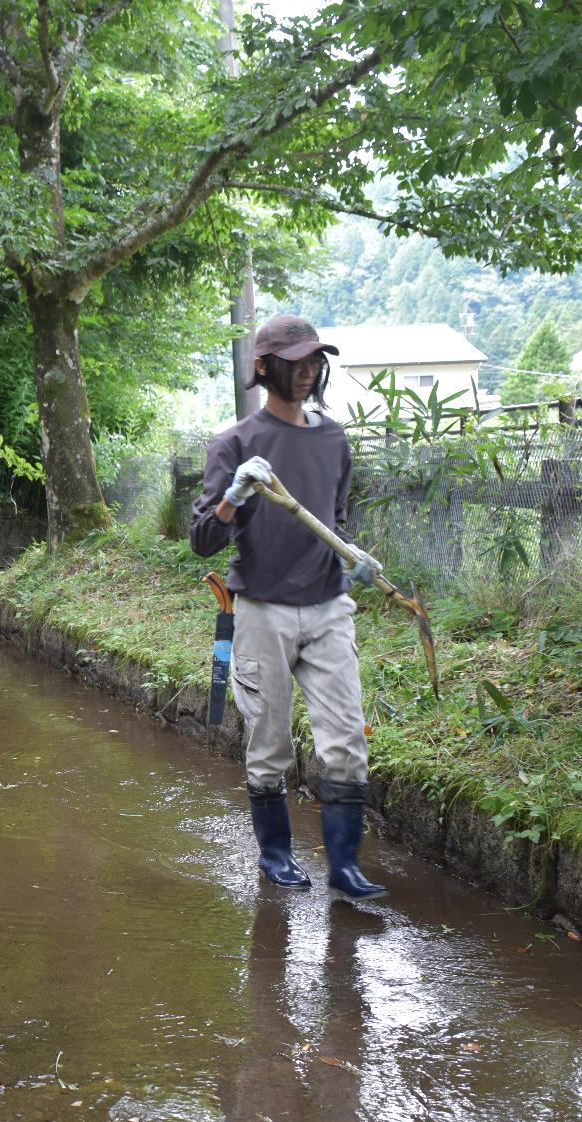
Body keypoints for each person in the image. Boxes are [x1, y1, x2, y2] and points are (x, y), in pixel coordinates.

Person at [189, 316, 388, 901]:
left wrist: (353, 558)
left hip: (328, 606)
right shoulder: (235, 444)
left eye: (314, 361)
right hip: (262, 610)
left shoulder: (333, 440)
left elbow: (338, 519)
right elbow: (203, 539)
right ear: (263, 367)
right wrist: (232, 498)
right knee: (269, 740)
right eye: (295, 361)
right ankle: (276, 855)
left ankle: (344, 867)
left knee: (346, 740)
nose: (308, 371)